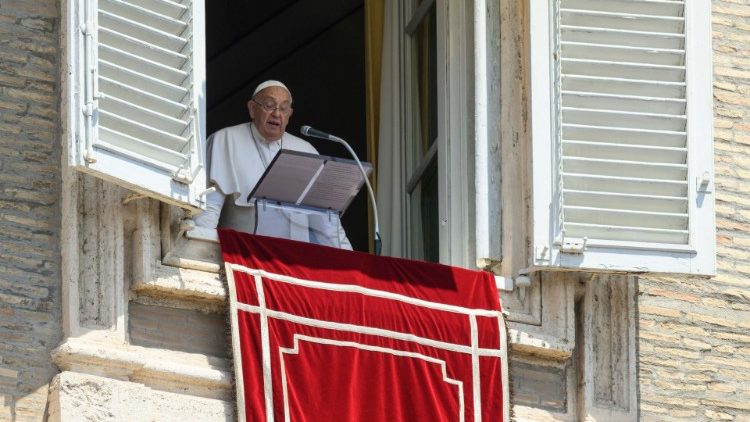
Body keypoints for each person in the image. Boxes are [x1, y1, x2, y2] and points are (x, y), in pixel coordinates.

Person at [193, 80, 352, 249]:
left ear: (289, 115)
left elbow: (326, 222)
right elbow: (208, 211)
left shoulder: (306, 150)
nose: (277, 114)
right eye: (269, 105)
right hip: (245, 256)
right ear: (252, 109)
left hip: (295, 261)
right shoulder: (225, 140)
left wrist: (350, 262)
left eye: (283, 108)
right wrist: (198, 249)